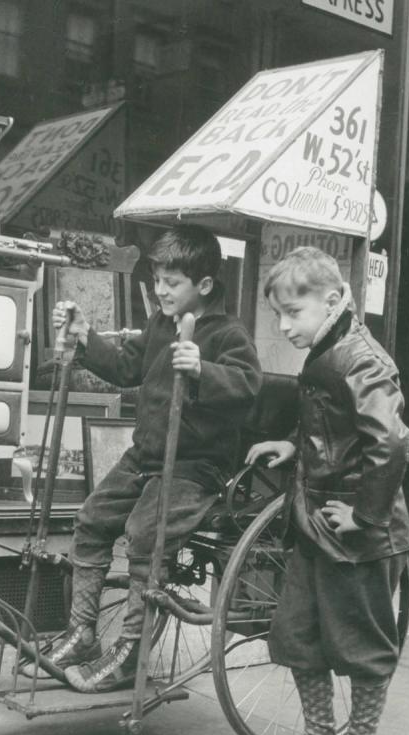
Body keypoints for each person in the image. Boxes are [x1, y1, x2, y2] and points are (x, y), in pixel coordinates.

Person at [39, 224, 262, 693]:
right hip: (146, 456)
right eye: (157, 279)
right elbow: (126, 366)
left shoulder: (228, 332)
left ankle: (131, 651)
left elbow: (248, 388)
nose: (160, 290)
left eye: (171, 282)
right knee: (91, 519)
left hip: (195, 467)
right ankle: (83, 633)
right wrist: (84, 337)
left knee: (144, 536)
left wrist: (203, 368)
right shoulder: (163, 323)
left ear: (203, 285)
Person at [244, 247, 409, 735]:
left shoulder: (361, 357)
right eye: (278, 314)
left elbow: (392, 442)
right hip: (313, 523)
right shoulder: (328, 350)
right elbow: (337, 427)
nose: (284, 324)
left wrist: (365, 516)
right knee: (298, 637)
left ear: (333, 300)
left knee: (363, 652)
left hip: (357, 534)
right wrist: (295, 445)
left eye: (293, 312)